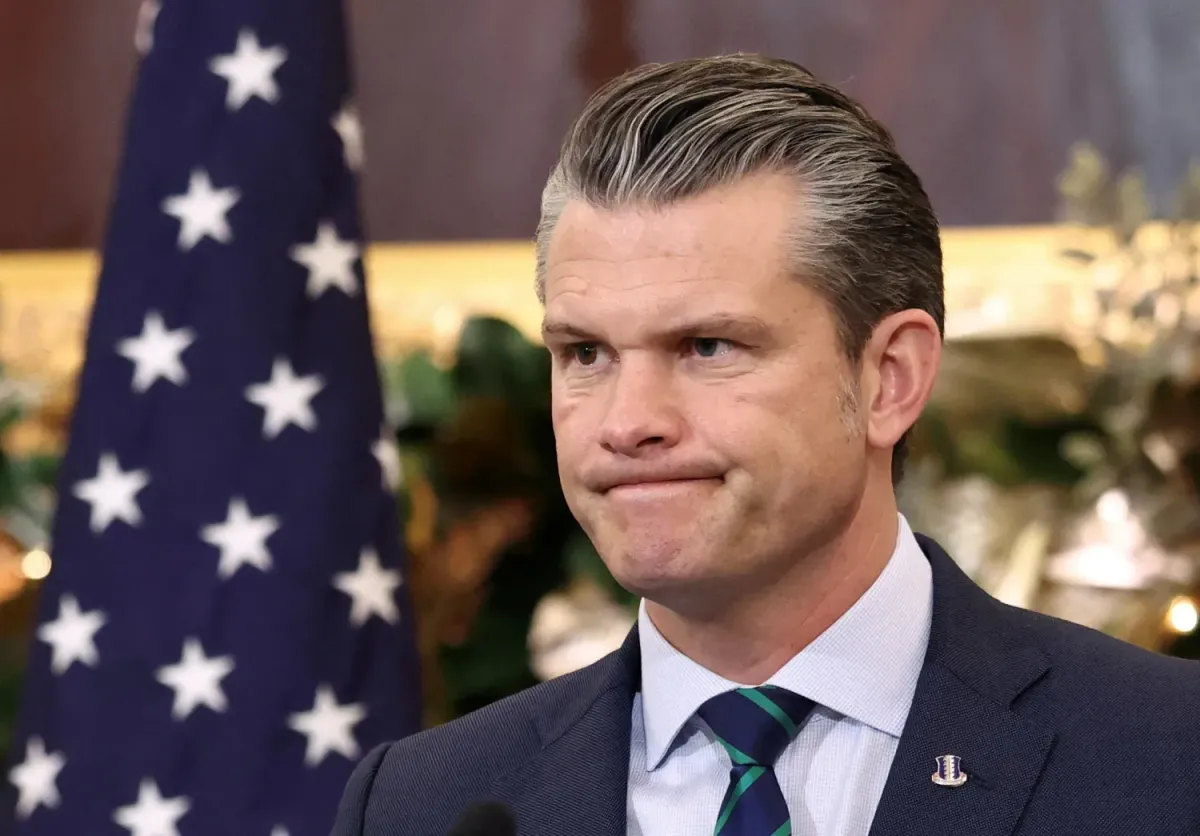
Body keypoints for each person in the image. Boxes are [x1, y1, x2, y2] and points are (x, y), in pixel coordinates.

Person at [331, 54, 1200, 836]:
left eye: (707, 347)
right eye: (586, 354)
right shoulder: (421, 806)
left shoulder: (1168, 755)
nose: (628, 422)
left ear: (890, 378)